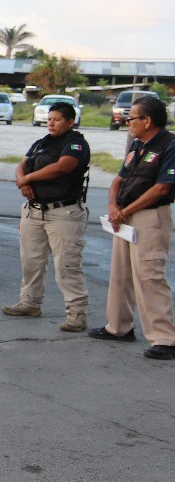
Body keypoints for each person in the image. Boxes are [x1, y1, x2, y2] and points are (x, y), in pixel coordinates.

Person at [88, 96, 175, 358]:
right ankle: (119, 326)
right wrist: (114, 207)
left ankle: (165, 339)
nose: (127, 122)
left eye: (132, 118)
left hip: (149, 217)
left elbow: (161, 187)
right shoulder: (137, 144)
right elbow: (118, 180)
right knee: (121, 274)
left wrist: (123, 210)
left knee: (149, 275)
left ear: (147, 120)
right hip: (124, 217)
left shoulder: (170, 145)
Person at [2, 102, 91, 331]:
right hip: (35, 209)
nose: (51, 122)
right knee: (31, 260)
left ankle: (77, 314)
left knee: (67, 265)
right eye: (49, 118)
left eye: (57, 119)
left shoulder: (76, 144)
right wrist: (23, 181)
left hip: (63, 212)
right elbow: (22, 165)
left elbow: (63, 167)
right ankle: (30, 303)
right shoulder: (41, 143)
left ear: (70, 122)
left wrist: (29, 179)